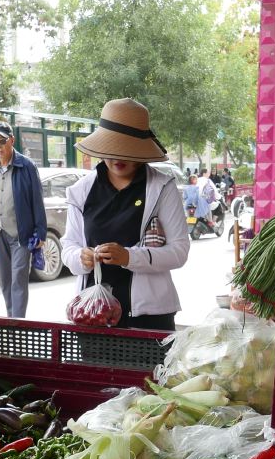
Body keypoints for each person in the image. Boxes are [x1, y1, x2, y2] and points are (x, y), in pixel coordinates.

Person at [62, 98, 189, 331]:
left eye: (126, 150)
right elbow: (69, 246)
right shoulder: (81, 191)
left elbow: (179, 251)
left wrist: (129, 257)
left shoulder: (161, 188)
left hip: (149, 315)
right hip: (93, 312)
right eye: (111, 148)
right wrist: (81, 258)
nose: (117, 158)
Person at [0, 121, 46, 319]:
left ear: (12, 141)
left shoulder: (27, 166)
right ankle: (10, 318)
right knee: (5, 279)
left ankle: (18, 322)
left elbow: (37, 199)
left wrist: (40, 232)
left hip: (22, 233)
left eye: (2, 141)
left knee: (18, 278)